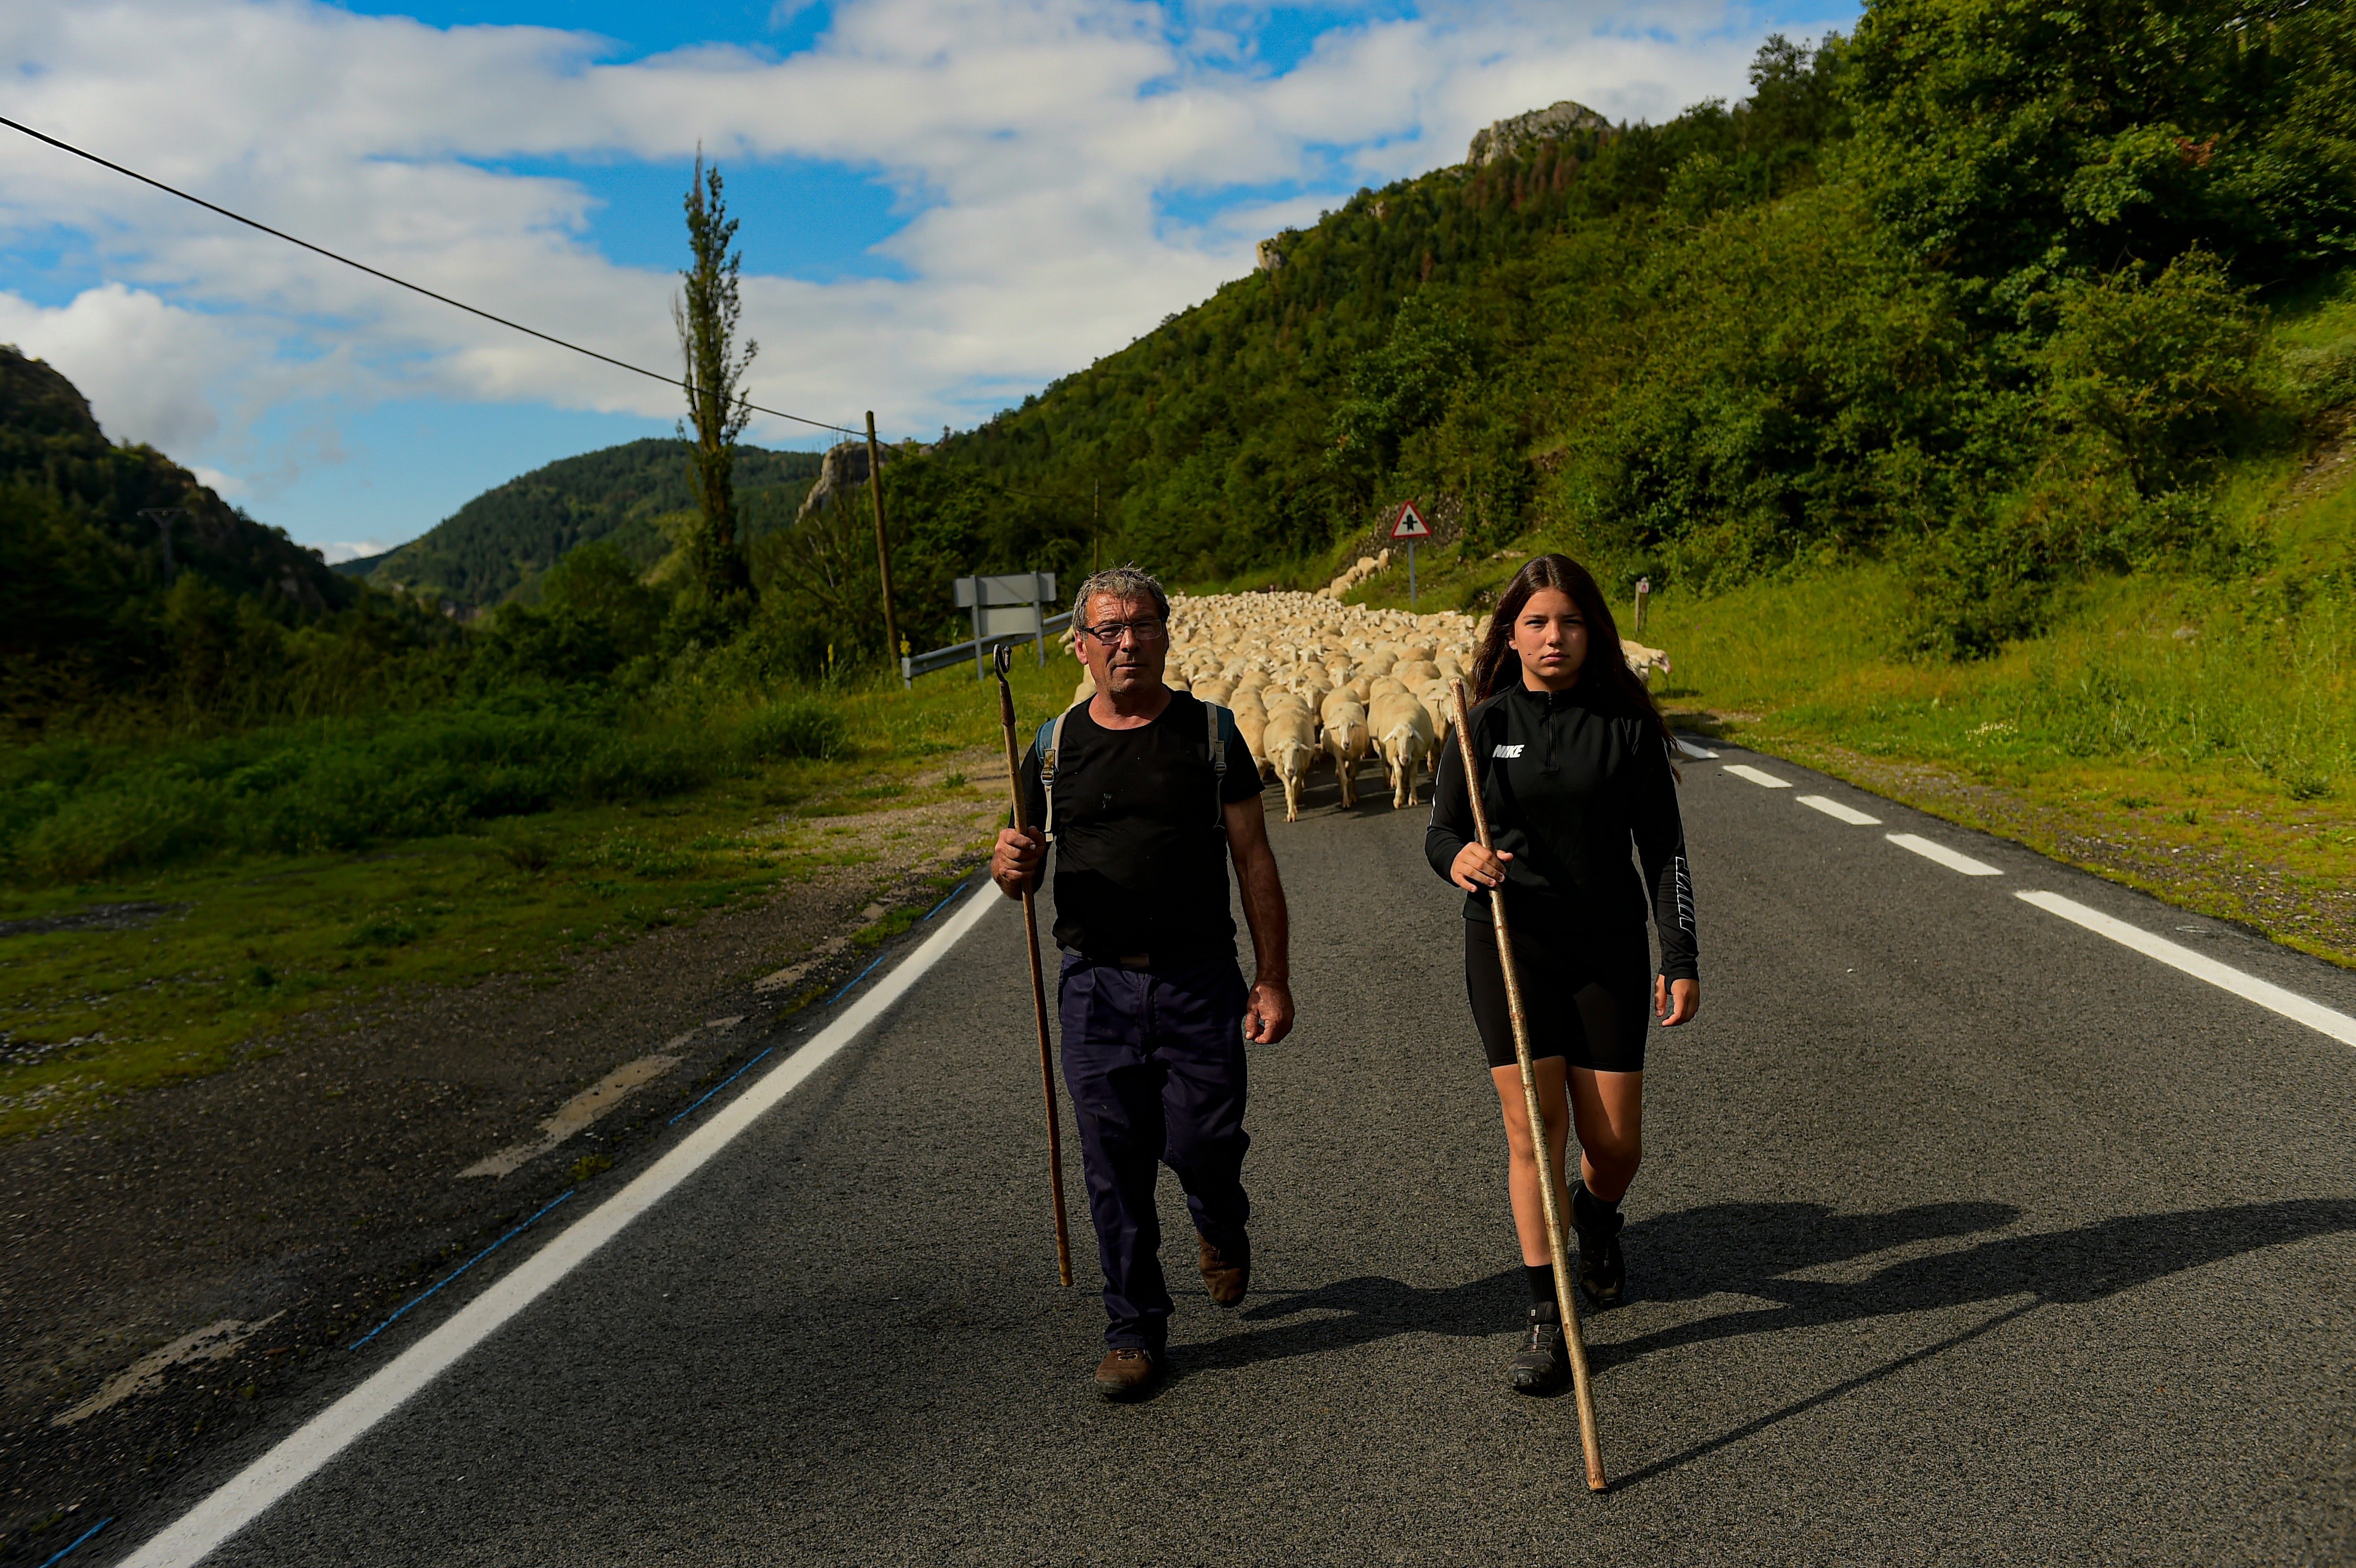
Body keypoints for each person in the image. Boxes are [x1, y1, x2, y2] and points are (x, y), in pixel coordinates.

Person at [991, 565, 1294, 1402]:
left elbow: (1254, 859)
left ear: (1166, 633)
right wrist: (1009, 866)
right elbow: (1017, 867)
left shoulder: (1212, 735)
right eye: (1111, 630)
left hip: (1199, 981)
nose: (1129, 642)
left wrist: (1271, 979)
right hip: (1095, 988)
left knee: (1203, 1145)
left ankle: (1219, 1218)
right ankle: (1133, 1328)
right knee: (1113, 1164)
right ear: (1082, 647)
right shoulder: (1052, 750)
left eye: (1145, 625)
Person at [1424, 553, 1700, 1395]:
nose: (1555, 637)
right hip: (1510, 945)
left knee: (1613, 1147)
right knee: (1533, 1135)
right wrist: (1461, 859)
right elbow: (1440, 835)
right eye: (1538, 622)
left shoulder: (1627, 727)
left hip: (1608, 947)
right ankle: (1549, 1315)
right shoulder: (1478, 726)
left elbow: (1664, 850)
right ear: (1513, 634)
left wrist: (1680, 955)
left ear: (1593, 632)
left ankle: (1598, 1216)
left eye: (1571, 622)